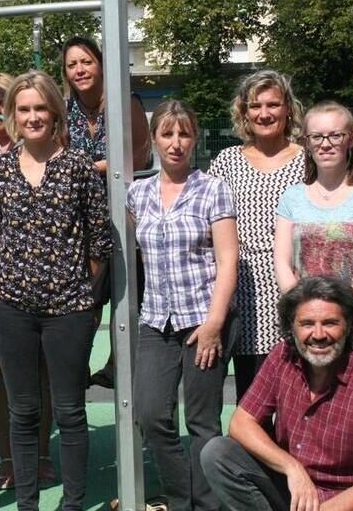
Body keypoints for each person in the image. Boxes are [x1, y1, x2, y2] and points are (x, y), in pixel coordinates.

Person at [0, 70, 112, 511]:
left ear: (55, 112)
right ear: (12, 115)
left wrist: (76, 290)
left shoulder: (78, 167)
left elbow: (99, 243)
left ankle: (73, 504)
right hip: (12, 310)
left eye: (41, 108)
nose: (33, 117)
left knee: (71, 412)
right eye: (24, 109)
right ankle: (27, 504)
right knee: (23, 413)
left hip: (68, 311)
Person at [201, 276, 353, 511]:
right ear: (292, 327)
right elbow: (241, 423)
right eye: (307, 324)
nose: (318, 334)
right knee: (218, 453)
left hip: (351, 499)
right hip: (296, 490)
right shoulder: (282, 356)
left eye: (330, 323)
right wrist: (292, 468)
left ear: (349, 325)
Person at [129, 100, 239, 511]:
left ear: (195, 138)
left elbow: (228, 259)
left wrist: (213, 324)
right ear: (155, 138)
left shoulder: (212, 189)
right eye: (167, 134)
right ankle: (182, 498)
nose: (176, 144)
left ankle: (205, 504)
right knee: (152, 414)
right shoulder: (137, 193)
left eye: (184, 134)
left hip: (203, 321)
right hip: (157, 321)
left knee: (202, 421)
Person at [0, 71, 57, 491]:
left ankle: (40, 455)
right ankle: (9, 456)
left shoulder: (43, 150)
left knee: (38, 372)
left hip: (40, 285)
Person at [207, 70, 306, 401]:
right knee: (251, 396)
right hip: (243, 287)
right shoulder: (227, 161)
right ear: (244, 112)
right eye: (256, 105)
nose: (265, 113)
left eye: (273, 104)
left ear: (288, 109)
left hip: (294, 283)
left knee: (296, 388)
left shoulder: (307, 160)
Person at [61, 35, 150, 389]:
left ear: (101, 64)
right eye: (72, 65)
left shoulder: (124, 104)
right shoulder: (66, 111)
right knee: (86, 294)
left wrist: (93, 167)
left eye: (86, 62)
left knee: (127, 295)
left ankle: (121, 365)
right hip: (81, 217)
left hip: (125, 213)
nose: (79, 70)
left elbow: (137, 159)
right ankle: (76, 363)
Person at [274, 102, 353, 363]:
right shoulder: (291, 198)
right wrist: (308, 314)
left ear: (350, 140)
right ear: (307, 142)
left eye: (335, 135)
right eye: (316, 136)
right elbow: (282, 263)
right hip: (305, 331)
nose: (325, 143)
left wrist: (336, 311)